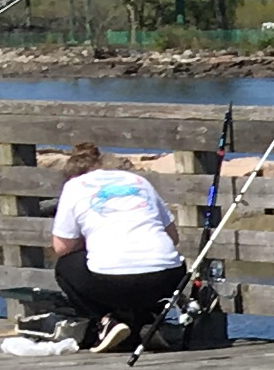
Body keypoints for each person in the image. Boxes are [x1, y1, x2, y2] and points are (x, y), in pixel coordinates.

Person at [44, 140, 189, 353]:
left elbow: (61, 247)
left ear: (71, 174)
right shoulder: (138, 180)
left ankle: (106, 321)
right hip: (168, 277)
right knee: (155, 264)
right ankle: (148, 321)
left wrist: (87, 241)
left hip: (112, 281)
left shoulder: (74, 186)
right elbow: (172, 237)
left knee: (66, 267)